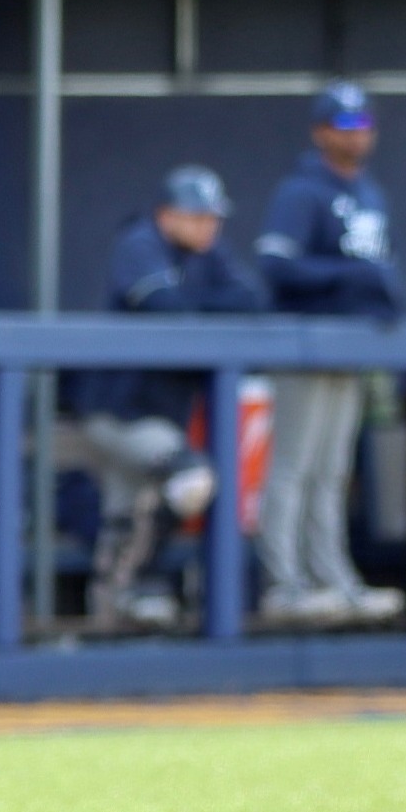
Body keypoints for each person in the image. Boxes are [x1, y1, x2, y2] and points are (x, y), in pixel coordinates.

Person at [72, 166, 262, 628]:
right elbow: (163, 306)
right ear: (166, 215)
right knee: (190, 480)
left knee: (127, 507)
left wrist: (199, 301)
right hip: (116, 410)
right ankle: (141, 581)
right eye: (195, 216)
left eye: (212, 218)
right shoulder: (139, 244)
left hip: (160, 411)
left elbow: (251, 298)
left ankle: (112, 601)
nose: (207, 226)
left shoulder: (208, 253)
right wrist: (208, 305)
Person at [253, 81, 406, 624]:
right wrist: (354, 277)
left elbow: (376, 266)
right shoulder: (302, 190)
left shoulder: (370, 193)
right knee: (293, 468)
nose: (356, 134)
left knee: (333, 472)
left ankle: (332, 578)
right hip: (303, 345)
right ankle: (283, 583)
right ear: (320, 132)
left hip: (349, 347)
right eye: (345, 125)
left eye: (363, 124)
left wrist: (379, 292)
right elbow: (276, 265)